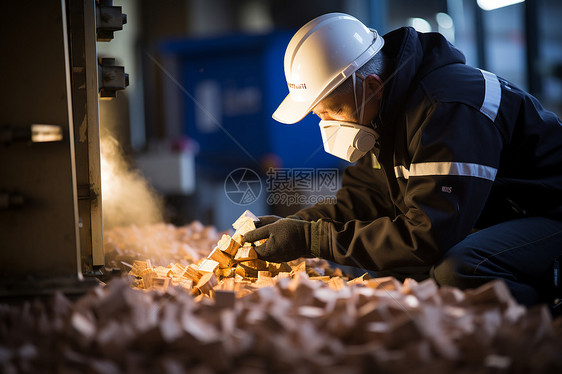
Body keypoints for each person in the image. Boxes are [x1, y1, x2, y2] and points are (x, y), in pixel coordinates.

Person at [243, 13, 562, 308]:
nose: (328, 124)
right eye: (320, 115)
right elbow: (361, 202)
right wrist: (298, 225)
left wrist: (312, 239)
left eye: (334, 111)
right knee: (387, 276)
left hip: (548, 211)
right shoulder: (383, 115)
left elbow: (427, 235)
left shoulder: (446, 110)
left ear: (370, 86)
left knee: (461, 269)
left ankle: (540, 331)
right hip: (499, 217)